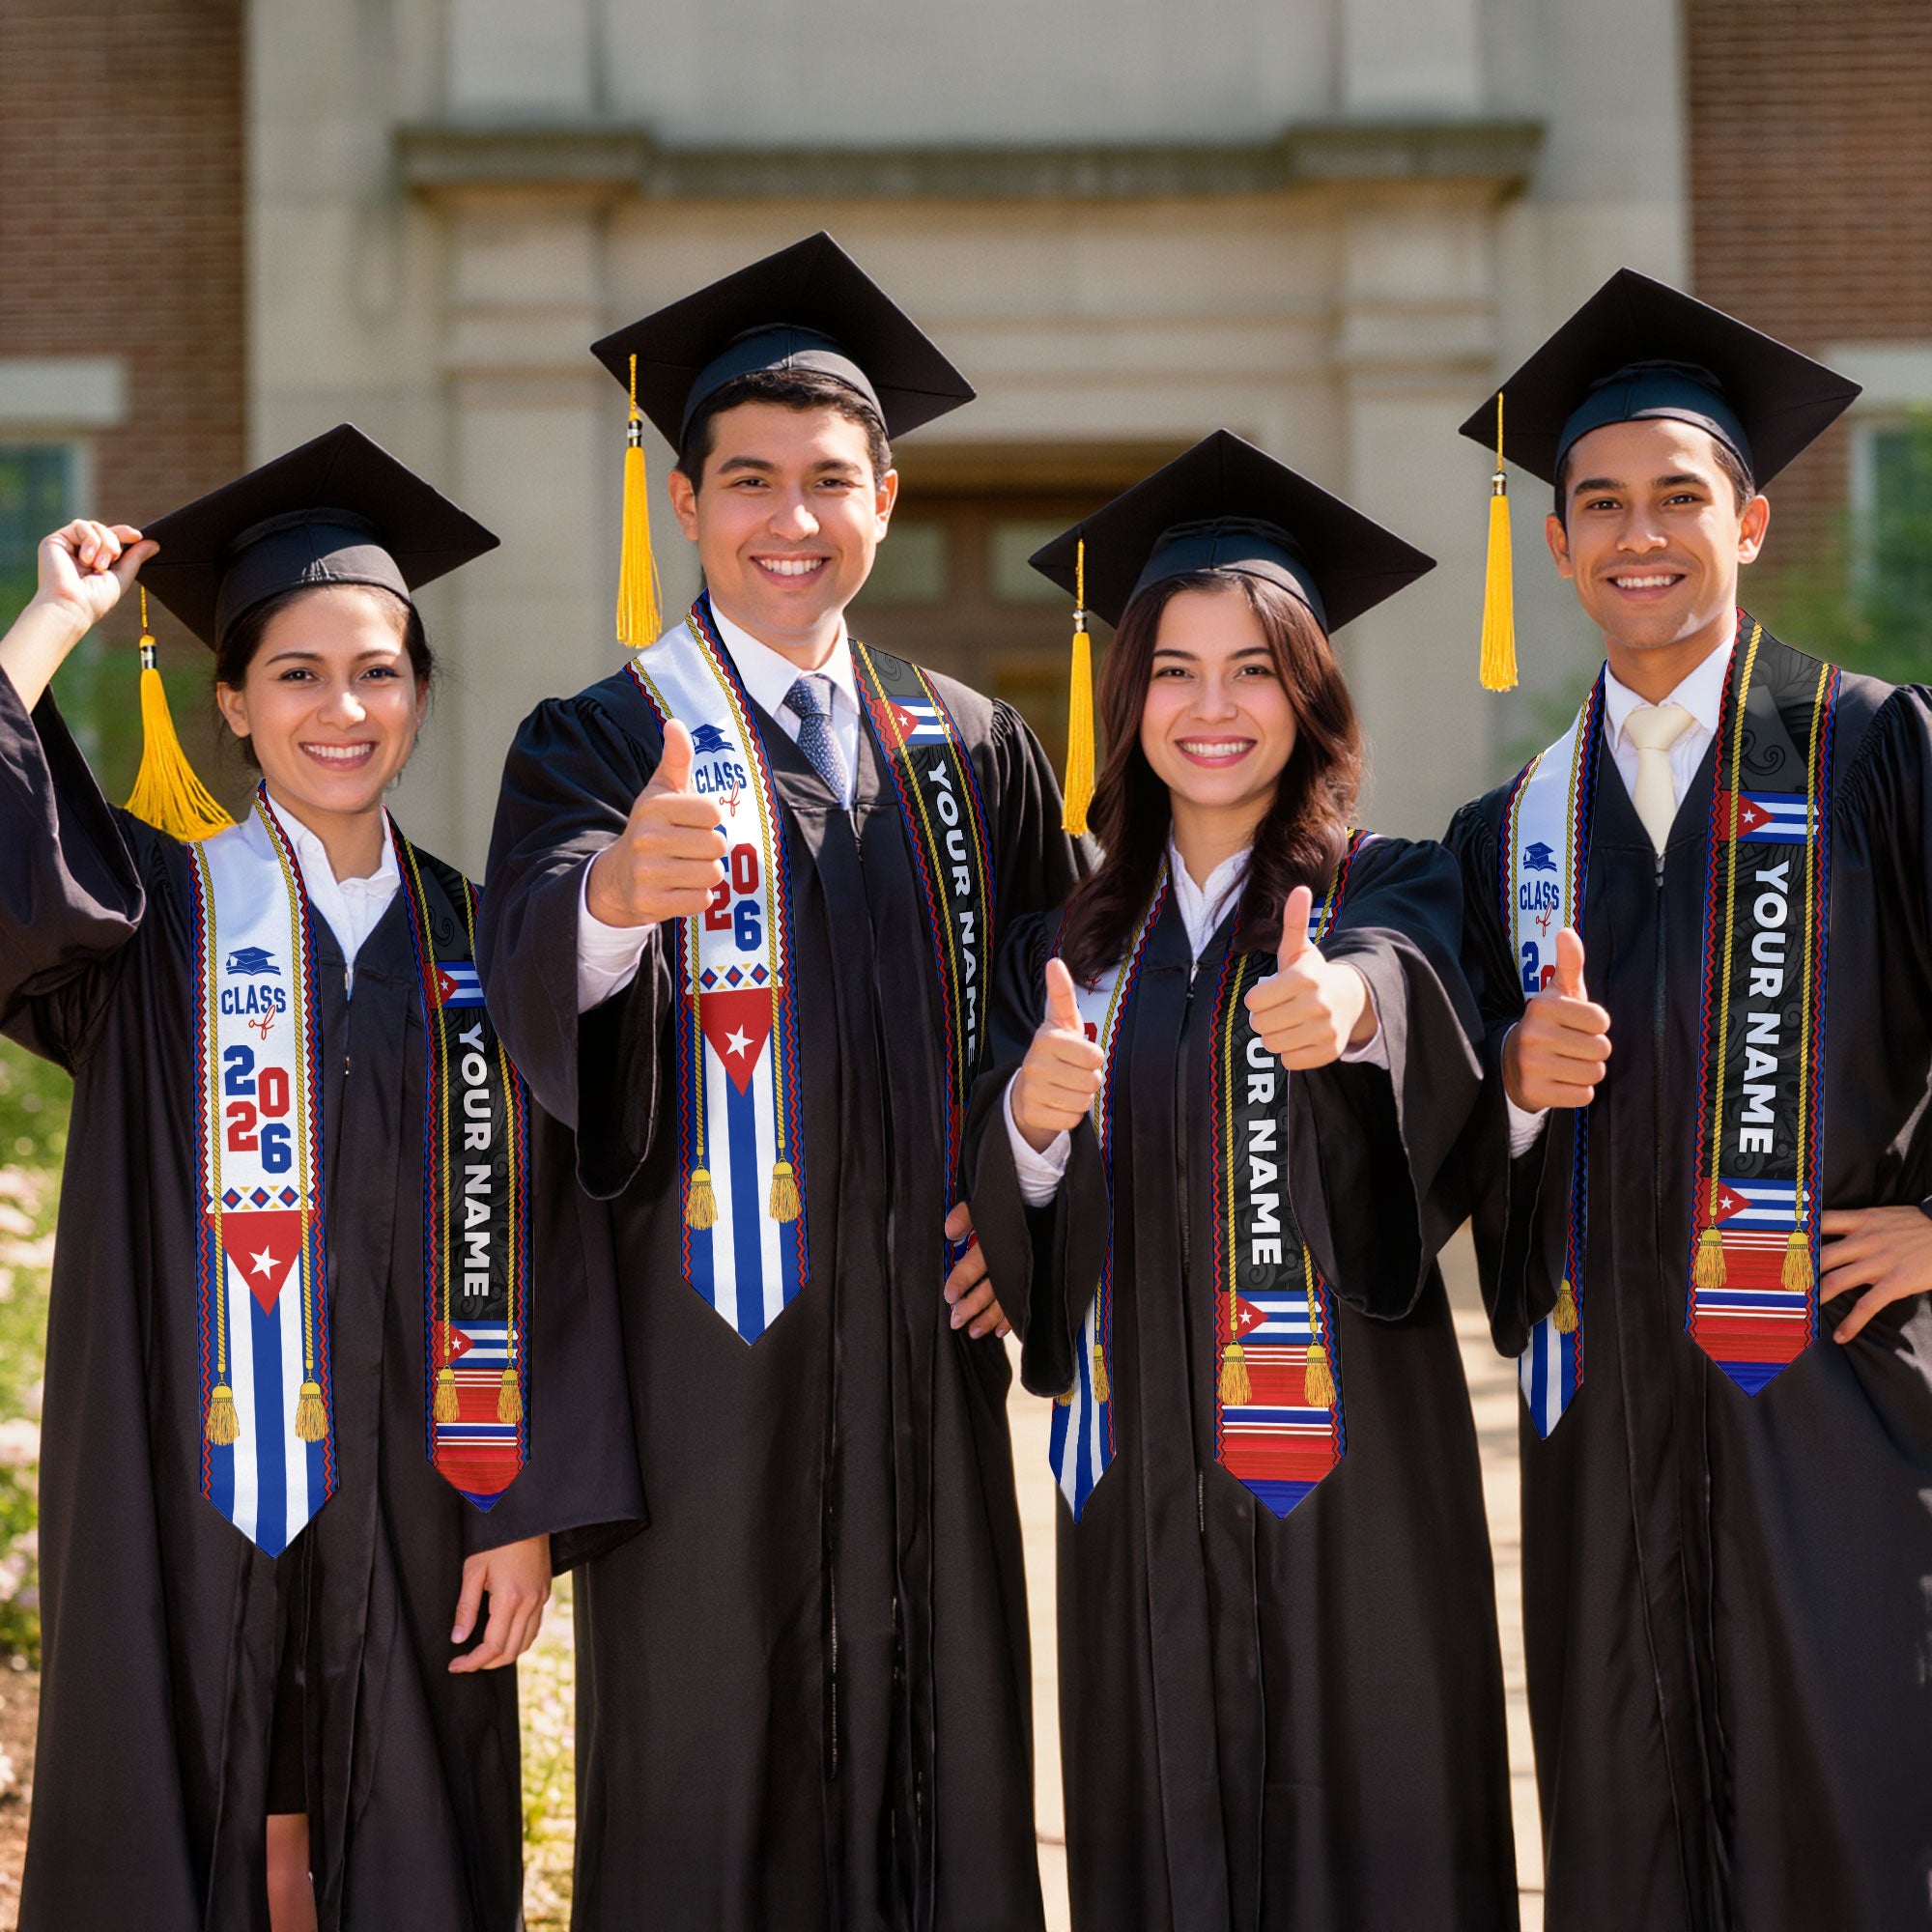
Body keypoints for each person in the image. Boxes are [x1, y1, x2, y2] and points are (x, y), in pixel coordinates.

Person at [478, 233, 1083, 1931]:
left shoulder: (971, 751)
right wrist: (609, 899)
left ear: (886, 497)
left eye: (831, 481)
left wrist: (1028, 1204)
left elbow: (1073, 1010)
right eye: (749, 482)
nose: (791, 520)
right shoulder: (599, 739)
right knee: (709, 1781)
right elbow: (531, 972)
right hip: (706, 1372)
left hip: (924, 1358)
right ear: (686, 503)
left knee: (943, 1766)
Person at [0, 425, 641, 1932]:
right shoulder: (149, 918)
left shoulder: (492, 943)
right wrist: (51, 624)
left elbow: (559, 1243)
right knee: (190, 1805)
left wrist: (528, 1507)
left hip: (429, 1492)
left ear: (419, 694)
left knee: (405, 1832)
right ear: (231, 701)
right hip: (184, 1476)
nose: (340, 708)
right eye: (295, 673)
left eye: (378, 671)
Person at [965, 431, 1518, 1931]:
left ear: (1311, 693)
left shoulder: (1387, 885)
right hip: (1139, 1474)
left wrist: (1348, 1015)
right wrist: (1028, 1115)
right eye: (1175, 671)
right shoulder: (1066, 945)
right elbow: (1014, 1212)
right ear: (1127, 696)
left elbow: (1412, 991)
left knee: (1378, 1827)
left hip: (1356, 1474)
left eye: (1256, 669)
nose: (1214, 709)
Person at [1446, 270, 1932, 1931]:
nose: (1636, 534)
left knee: (1854, 1813)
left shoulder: (1873, 752)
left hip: (1837, 1405)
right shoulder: (1511, 830)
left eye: (1677, 497)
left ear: (1752, 520)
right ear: (1562, 543)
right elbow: (1445, 1138)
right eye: (1599, 505)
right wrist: (1512, 1088)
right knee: (1625, 1827)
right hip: (1605, 1430)